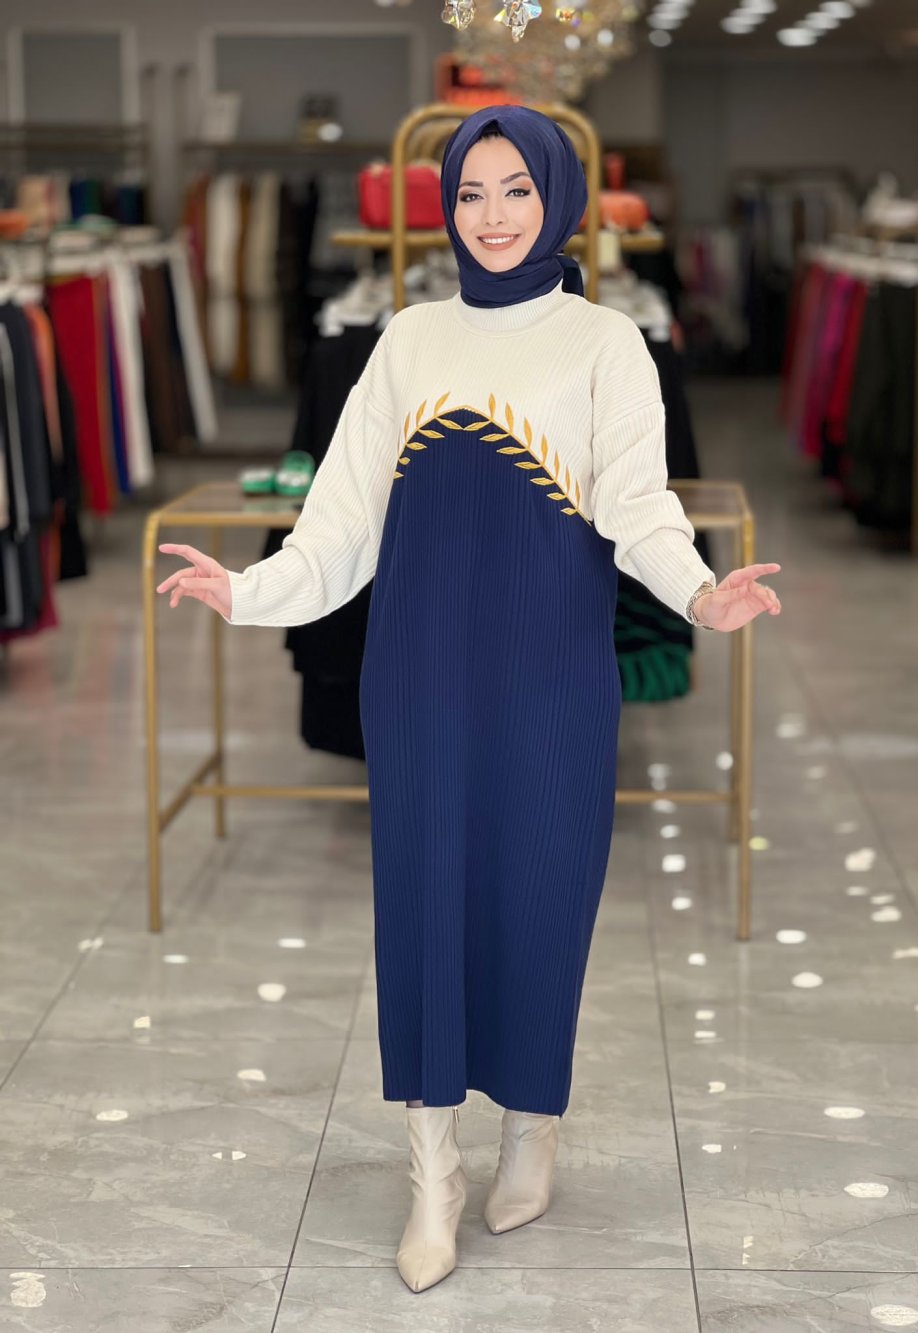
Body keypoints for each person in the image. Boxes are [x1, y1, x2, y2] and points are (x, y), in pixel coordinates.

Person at [157, 104, 781, 1295]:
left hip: (553, 680)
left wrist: (701, 595)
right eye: (470, 193)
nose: (492, 215)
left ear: (558, 199)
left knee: (542, 898)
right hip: (420, 681)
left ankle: (530, 1127)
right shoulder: (406, 340)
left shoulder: (607, 344)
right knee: (423, 907)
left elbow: (639, 508)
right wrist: (245, 589)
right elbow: (339, 525)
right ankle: (430, 1172)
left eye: (516, 190)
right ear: (443, 208)